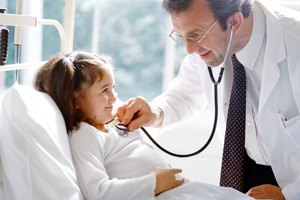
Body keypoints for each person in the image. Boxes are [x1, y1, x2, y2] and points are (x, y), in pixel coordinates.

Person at [116, 0, 300, 200]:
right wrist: (154, 113)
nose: (189, 49)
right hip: (245, 170)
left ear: (234, 22)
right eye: (181, 35)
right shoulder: (209, 42)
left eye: (196, 35)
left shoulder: (294, 42)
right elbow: (185, 95)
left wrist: (291, 194)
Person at [34, 51, 252, 200]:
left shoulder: (111, 125)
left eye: (113, 88)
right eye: (104, 91)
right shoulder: (84, 135)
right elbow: (99, 193)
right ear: (75, 100)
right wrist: (154, 183)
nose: (114, 97)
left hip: (179, 189)